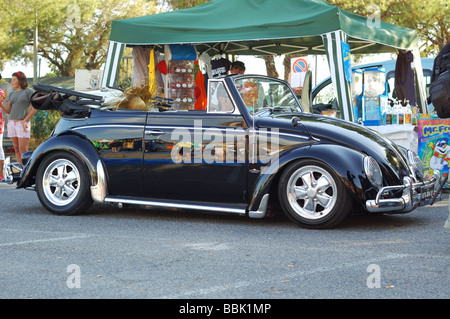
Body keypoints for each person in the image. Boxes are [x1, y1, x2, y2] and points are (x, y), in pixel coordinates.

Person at [0, 72, 36, 165]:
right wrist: (0, 104)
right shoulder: (11, 94)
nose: (12, 81)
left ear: (20, 80)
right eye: (11, 79)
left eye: (14, 79)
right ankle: (21, 171)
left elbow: (34, 108)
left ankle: (27, 171)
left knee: (22, 149)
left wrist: (25, 120)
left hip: (22, 124)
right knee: (16, 148)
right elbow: (8, 111)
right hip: (12, 123)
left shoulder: (29, 91)